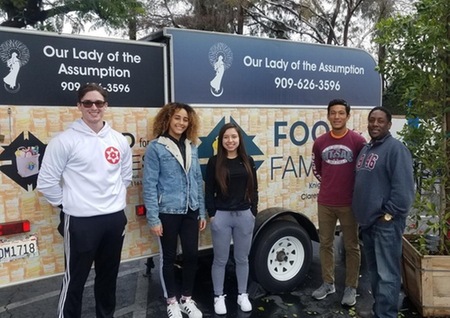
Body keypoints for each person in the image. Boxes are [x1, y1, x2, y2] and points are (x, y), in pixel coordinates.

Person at [37, 83, 132, 318]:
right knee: (75, 281)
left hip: (113, 219)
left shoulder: (119, 140)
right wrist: (69, 203)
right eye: (88, 102)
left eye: (99, 103)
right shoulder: (64, 141)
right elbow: (47, 182)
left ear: (106, 106)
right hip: (80, 222)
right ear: (79, 105)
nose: (93, 107)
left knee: (108, 278)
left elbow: (125, 177)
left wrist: (113, 203)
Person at [142, 102, 207, 318]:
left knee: (191, 255)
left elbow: (197, 179)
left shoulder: (192, 146)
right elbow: (149, 184)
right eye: (177, 118)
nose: (181, 122)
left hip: (190, 210)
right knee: (168, 258)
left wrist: (201, 211)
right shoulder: (156, 147)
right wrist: (153, 218)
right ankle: (171, 301)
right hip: (167, 211)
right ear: (168, 119)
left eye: (185, 119)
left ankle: (187, 298)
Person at [352, 106, 414, 318]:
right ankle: (380, 311)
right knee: (376, 275)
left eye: (380, 121)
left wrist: (388, 216)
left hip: (385, 224)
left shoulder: (396, 149)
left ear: (389, 124)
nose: (375, 124)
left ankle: (386, 314)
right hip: (369, 224)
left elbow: (404, 192)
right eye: (372, 120)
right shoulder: (367, 149)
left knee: (387, 275)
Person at [311, 99, 366, 306]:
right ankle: (328, 283)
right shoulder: (320, 142)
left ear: (347, 116)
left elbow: (364, 170)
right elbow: (317, 167)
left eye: (341, 113)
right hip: (325, 202)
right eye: (333, 113)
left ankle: (351, 287)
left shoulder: (358, 141)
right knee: (325, 244)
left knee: (351, 246)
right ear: (328, 116)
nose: (337, 116)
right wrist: (328, 183)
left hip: (349, 203)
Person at [205, 122, 258, 315]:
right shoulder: (214, 162)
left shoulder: (247, 160)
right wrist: (212, 215)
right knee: (220, 259)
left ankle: (242, 294)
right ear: (221, 140)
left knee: (242, 258)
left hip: (244, 216)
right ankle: (218, 296)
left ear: (239, 139)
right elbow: (209, 190)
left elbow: (254, 188)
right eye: (226, 137)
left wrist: (253, 211)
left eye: (234, 137)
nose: (230, 141)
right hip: (222, 216)